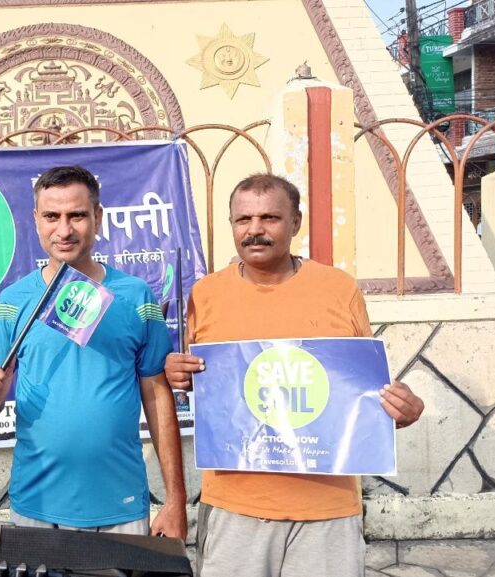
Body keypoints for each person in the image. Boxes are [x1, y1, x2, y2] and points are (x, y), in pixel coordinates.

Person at [164, 173, 424, 577]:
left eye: (269, 218)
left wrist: (402, 408)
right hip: (235, 507)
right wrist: (177, 374)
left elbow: (362, 387)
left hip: (327, 509)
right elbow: (198, 381)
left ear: (296, 222)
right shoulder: (205, 295)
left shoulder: (339, 289)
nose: (255, 230)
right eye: (243, 219)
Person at [0, 165, 187, 538]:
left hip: (120, 505)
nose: (64, 229)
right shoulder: (13, 301)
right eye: (52, 216)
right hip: (36, 506)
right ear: (36, 220)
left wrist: (176, 500)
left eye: (77, 215)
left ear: (98, 218)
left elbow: (157, 396)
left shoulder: (136, 297)